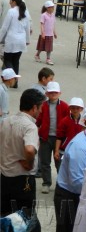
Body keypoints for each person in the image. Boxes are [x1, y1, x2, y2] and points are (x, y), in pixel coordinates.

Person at [1, 88, 45, 216]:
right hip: (22, 181)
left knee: (4, 219)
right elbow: (30, 149)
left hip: (4, 178)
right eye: (40, 107)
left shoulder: (6, 121)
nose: (41, 111)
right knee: (23, 223)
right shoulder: (29, 126)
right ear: (34, 107)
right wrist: (29, 164)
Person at [35, 81, 69, 194]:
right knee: (45, 162)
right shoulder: (43, 106)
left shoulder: (64, 106)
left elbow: (67, 122)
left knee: (59, 162)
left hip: (59, 139)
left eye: (55, 92)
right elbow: (38, 120)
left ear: (59, 93)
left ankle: (61, 183)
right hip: (45, 137)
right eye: (51, 92)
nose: (53, 94)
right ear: (46, 94)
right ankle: (46, 183)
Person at [0, 0, 31, 81]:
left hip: (11, 40)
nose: (9, 3)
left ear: (14, 2)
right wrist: (27, 40)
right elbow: (27, 27)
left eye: (10, 1)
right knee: (16, 61)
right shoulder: (25, 12)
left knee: (7, 60)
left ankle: (12, 78)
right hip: (21, 40)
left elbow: (5, 27)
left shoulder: (11, 11)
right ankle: (15, 82)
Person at [54, 97, 85, 162]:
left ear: (81, 109)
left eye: (77, 108)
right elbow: (59, 137)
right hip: (64, 151)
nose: (75, 110)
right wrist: (56, 151)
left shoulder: (84, 121)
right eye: (73, 108)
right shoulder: (64, 121)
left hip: (78, 151)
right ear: (70, 108)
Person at [34, 1, 57, 65]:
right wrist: (43, 33)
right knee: (41, 47)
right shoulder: (43, 15)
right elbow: (41, 24)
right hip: (44, 34)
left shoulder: (53, 15)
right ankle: (37, 55)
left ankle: (48, 59)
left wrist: (54, 32)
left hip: (50, 34)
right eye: (51, 7)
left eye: (53, 7)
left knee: (49, 47)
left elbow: (53, 25)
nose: (53, 9)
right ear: (47, 8)